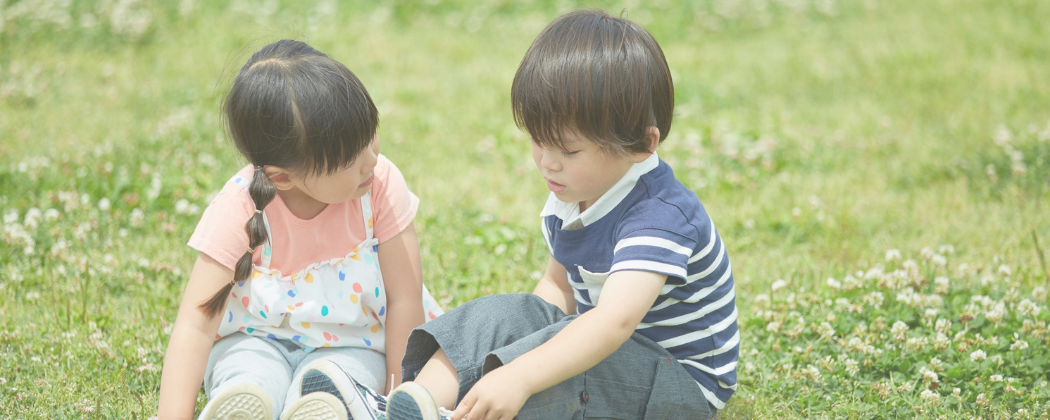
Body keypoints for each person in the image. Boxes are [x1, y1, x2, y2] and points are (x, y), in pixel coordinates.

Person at [383, 9, 738, 420]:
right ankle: (413, 402)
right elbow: (558, 286)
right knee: (505, 313)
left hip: (677, 385)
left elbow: (611, 325)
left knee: (555, 371)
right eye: (537, 141)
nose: (547, 163)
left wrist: (520, 374)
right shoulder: (575, 193)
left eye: (568, 151)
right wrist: (517, 340)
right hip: (609, 357)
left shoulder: (658, 216)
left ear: (642, 144)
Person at [156, 39, 444, 420]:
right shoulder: (241, 205)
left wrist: (394, 399)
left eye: (369, 134)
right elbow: (195, 325)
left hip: (353, 343)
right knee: (250, 375)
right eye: (350, 157)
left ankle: (324, 408)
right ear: (283, 177)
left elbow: (404, 299)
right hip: (255, 340)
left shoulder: (378, 186)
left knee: (335, 381)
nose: (372, 158)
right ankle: (249, 404)